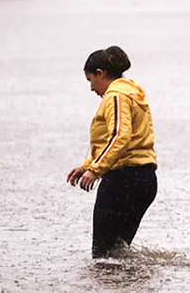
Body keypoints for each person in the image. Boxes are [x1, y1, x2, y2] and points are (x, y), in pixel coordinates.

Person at [67, 46, 158, 258]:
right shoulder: (133, 92)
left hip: (122, 181)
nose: (91, 88)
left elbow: (120, 136)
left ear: (101, 73)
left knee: (101, 256)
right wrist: (86, 166)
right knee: (118, 254)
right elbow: (119, 139)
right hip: (145, 181)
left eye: (90, 80)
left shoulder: (115, 96)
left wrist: (95, 170)